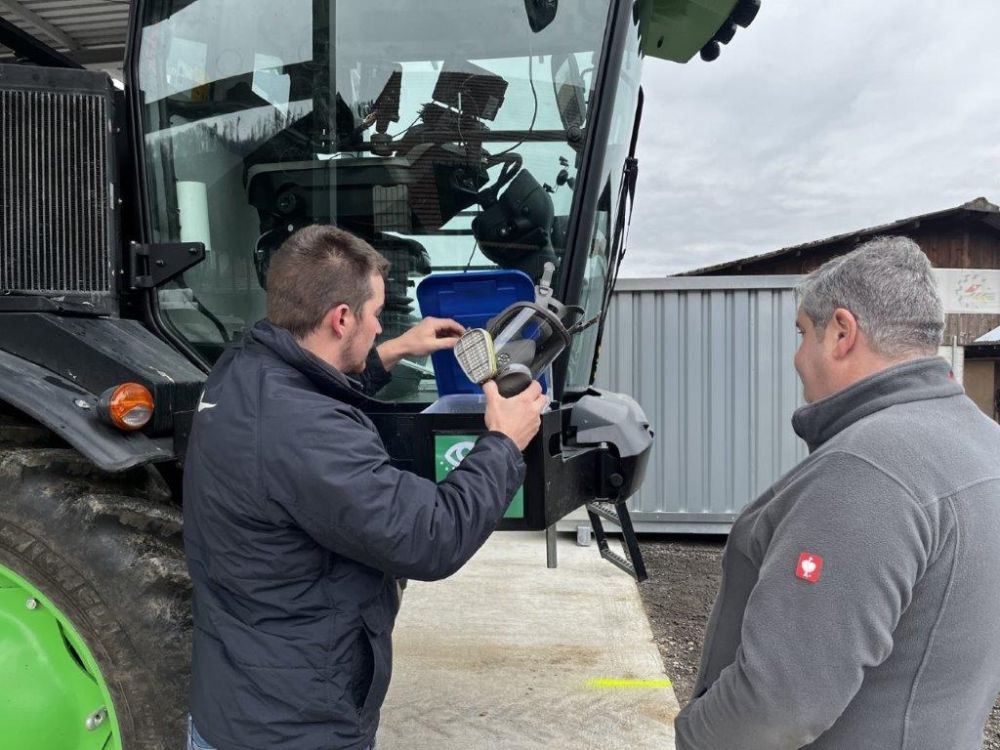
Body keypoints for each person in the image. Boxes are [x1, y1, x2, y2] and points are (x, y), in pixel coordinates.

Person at [182, 224, 548, 750]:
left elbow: (310, 386)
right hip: (294, 729)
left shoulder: (241, 369)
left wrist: (392, 352)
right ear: (341, 318)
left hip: (240, 702)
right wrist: (503, 443)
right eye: (377, 315)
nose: (379, 326)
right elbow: (430, 536)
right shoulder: (305, 430)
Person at [674, 236, 1000, 749]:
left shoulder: (866, 468)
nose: (798, 357)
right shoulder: (985, 442)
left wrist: (695, 737)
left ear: (842, 332)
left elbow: (776, 704)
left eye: (803, 333)